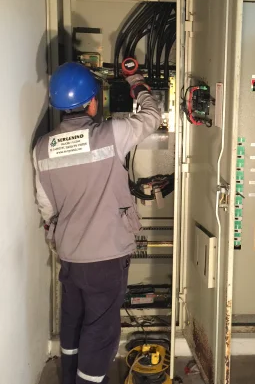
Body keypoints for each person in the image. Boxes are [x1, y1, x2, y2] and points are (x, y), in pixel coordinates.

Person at [33, 62, 161, 384]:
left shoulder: (42, 148)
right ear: (92, 101)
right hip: (106, 258)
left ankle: (70, 378)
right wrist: (136, 81)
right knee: (100, 331)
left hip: (70, 256)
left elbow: (46, 206)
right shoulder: (111, 134)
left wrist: (60, 236)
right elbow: (152, 116)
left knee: (73, 321)